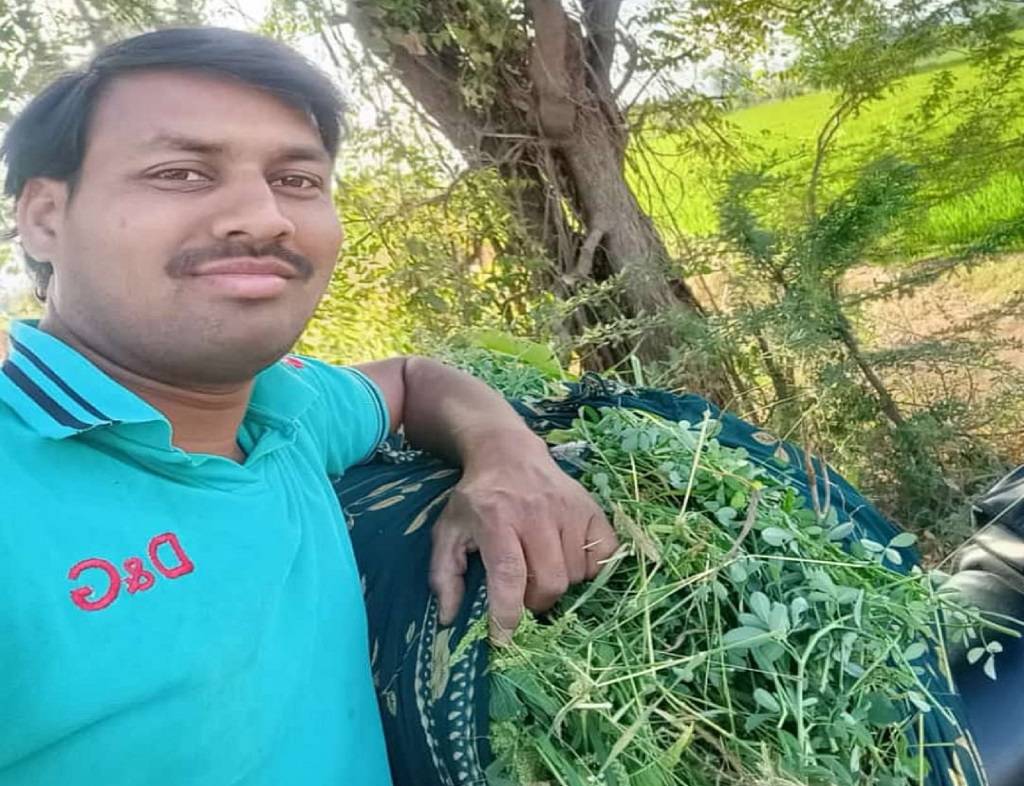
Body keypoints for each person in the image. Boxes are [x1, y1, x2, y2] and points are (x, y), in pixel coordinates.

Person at [0, 27, 618, 785]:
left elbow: (409, 380)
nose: (265, 218)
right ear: (45, 218)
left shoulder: (283, 406)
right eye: (183, 173)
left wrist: (507, 456)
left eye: (297, 180)